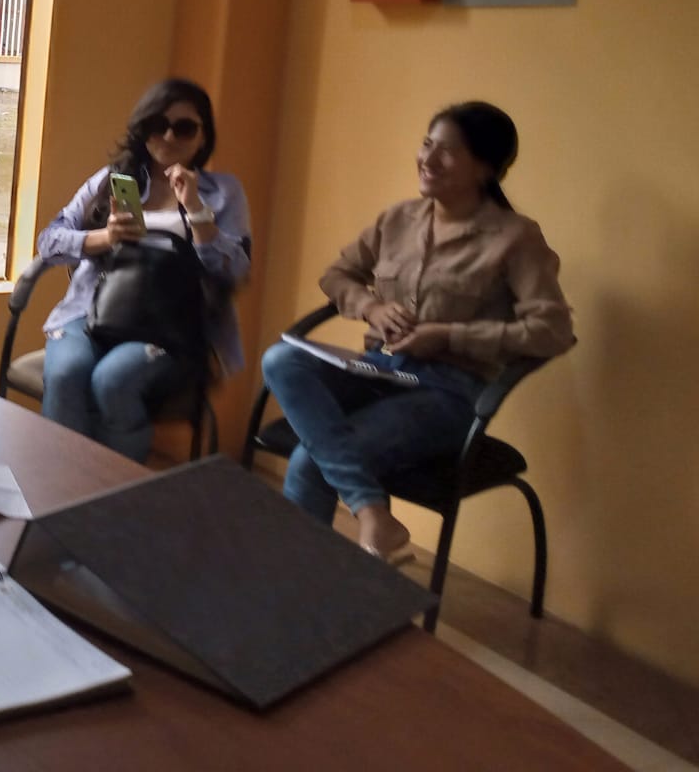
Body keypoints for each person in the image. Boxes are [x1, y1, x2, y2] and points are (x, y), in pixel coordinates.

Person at [259, 102, 574, 560]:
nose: (428, 158)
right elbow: (338, 275)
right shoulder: (398, 219)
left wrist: (448, 335)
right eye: (427, 144)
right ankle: (372, 512)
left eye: (448, 151)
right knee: (281, 360)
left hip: (449, 394)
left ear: (485, 168)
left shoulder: (515, 238)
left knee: (312, 460)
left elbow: (553, 330)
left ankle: (296, 584)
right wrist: (372, 307)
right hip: (377, 371)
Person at [36, 78, 251, 462]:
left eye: (184, 127)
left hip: (169, 326)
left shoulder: (222, 192)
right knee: (67, 373)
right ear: (143, 128)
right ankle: (64, 485)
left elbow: (234, 270)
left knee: (112, 380)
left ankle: (115, 487)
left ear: (203, 136)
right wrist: (105, 238)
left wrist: (197, 210)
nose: (169, 136)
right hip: (90, 311)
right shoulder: (113, 181)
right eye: (158, 124)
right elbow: (49, 242)